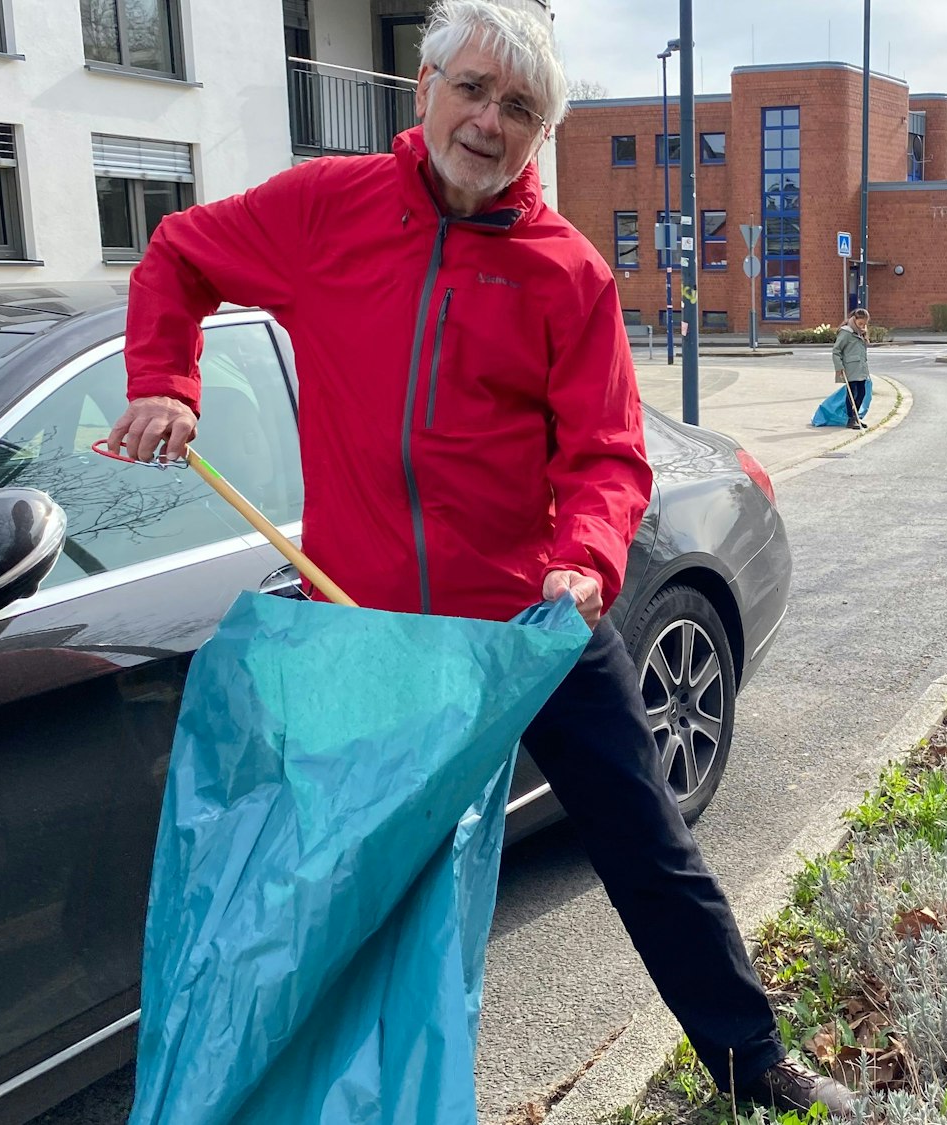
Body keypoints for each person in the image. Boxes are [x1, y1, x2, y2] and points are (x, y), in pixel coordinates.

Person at [103, 1, 857, 1115]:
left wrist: (587, 564)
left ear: (538, 131)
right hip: (372, 633)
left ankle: (753, 1063)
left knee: (648, 847)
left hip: (527, 627)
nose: (487, 121)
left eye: (518, 107)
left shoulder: (565, 273)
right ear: (424, 89)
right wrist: (166, 380)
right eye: (471, 90)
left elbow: (606, 455)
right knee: (350, 887)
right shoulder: (325, 211)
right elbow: (176, 254)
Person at [832, 307, 872, 429]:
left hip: (861, 368)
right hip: (850, 369)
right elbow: (836, 351)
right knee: (852, 394)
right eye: (860, 323)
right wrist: (839, 367)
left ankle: (855, 416)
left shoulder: (860, 333)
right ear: (854, 319)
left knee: (862, 393)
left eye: (864, 324)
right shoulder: (846, 332)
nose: (862, 326)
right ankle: (851, 419)